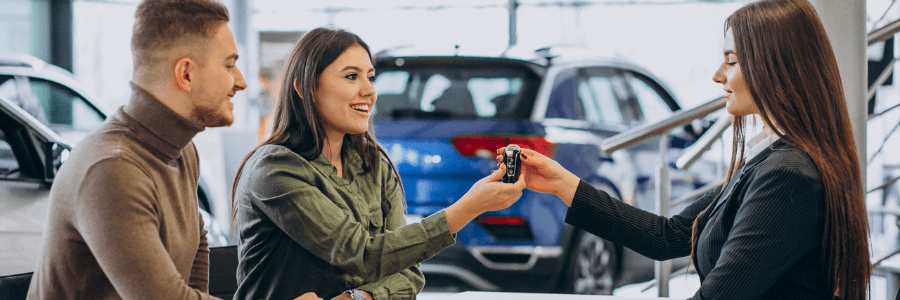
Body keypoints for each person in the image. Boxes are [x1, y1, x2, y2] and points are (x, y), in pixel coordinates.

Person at [502, 0, 870, 299]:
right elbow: (666, 235)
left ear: (777, 67)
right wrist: (560, 183)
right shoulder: (768, 161)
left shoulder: (789, 174)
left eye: (732, 61)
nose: (718, 75)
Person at [25, 0, 320, 299]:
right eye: (229, 65)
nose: (241, 81)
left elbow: (197, 249)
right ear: (186, 74)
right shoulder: (111, 168)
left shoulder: (182, 150)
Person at [231, 27, 526, 300]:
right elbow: (364, 255)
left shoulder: (374, 163)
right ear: (304, 88)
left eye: (370, 77)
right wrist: (469, 207)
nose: (370, 91)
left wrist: (357, 298)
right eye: (351, 76)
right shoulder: (275, 168)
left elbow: (407, 273)